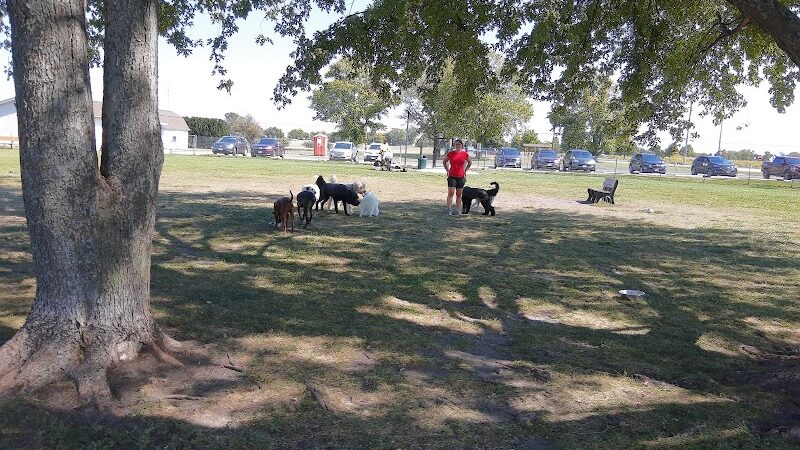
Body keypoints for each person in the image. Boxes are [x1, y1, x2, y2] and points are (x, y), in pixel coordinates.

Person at [442, 139, 472, 215]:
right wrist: (447, 170)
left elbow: (470, 162)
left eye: (459, 144)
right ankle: (449, 210)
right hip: (452, 176)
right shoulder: (451, 154)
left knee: (459, 195)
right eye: (456, 144)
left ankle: (458, 210)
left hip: (461, 177)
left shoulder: (465, 154)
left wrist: (465, 171)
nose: (457, 146)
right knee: (451, 193)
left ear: (462, 145)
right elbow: (444, 161)